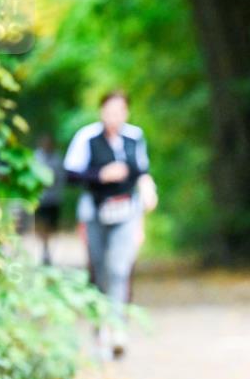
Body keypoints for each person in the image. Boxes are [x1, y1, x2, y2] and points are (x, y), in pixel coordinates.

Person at [64, 90, 158, 359]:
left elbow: (142, 171)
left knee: (119, 268)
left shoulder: (134, 137)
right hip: (95, 212)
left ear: (126, 113)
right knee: (99, 269)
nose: (114, 116)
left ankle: (117, 328)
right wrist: (100, 175)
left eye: (119, 111)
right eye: (109, 110)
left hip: (127, 211)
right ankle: (100, 326)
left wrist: (148, 189)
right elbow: (70, 174)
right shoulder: (87, 137)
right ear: (101, 112)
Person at [33, 134, 66, 265]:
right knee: (41, 224)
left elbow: (62, 178)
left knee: (52, 227)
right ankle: (44, 248)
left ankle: (47, 248)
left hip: (53, 199)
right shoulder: (35, 157)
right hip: (40, 199)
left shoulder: (57, 159)